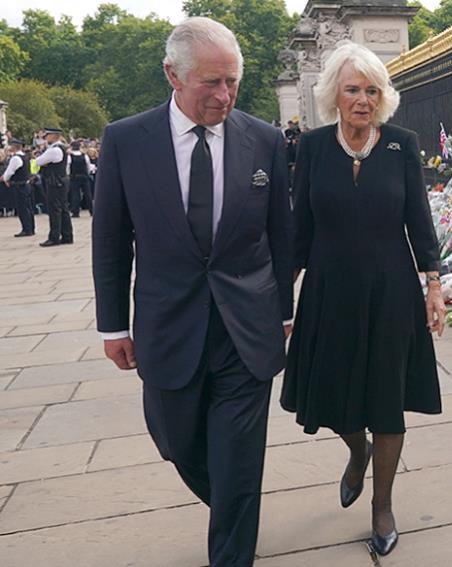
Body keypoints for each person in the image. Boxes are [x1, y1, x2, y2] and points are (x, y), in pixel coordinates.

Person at [91, 17, 293, 567]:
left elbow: (282, 236)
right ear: (172, 76)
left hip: (245, 330)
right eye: (211, 82)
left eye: (232, 81)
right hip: (166, 326)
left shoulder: (265, 140)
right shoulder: (126, 141)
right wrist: (113, 326)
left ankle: (232, 541)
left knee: (238, 460)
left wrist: (284, 311)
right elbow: (110, 240)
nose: (224, 95)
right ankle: (234, 506)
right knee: (177, 442)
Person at [282, 40, 445, 558]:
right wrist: (281, 298)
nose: (363, 99)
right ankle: (358, 452)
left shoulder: (401, 144)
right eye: (353, 89)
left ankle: (382, 504)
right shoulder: (311, 148)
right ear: (334, 93)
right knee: (335, 393)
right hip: (329, 291)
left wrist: (434, 284)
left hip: (391, 290)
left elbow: (418, 218)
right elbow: (298, 228)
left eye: (372, 90)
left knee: (387, 398)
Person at [36, 126, 72, 246]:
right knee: (63, 209)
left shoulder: (54, 149)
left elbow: (38, 161)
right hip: (62, 179)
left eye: (47, 136)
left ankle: (54, 237)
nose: (46, 138)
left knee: (54, 210)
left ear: (53, 136)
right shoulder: (62, 148)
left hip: (54, 181)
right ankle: (67, 235)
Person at [2, 138, 35, 236]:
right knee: (28, 207)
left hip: (19, 185)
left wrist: (6, 179)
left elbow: (9, 172)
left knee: (22, 208)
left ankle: (26, 229)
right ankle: (31, 228)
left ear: (13, 147)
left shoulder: (15, 158)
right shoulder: (25, 157)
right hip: (26, 184)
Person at [68, 141, 95, 217]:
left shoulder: (70, 156)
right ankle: (92, 211)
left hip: (74, 177)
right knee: (88, 194)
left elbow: (68, 167)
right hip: (84, 176)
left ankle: (76, 212)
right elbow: (88, 166)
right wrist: (88, 173)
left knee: (75, 194)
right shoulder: (84, 156)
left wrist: (68, 174)